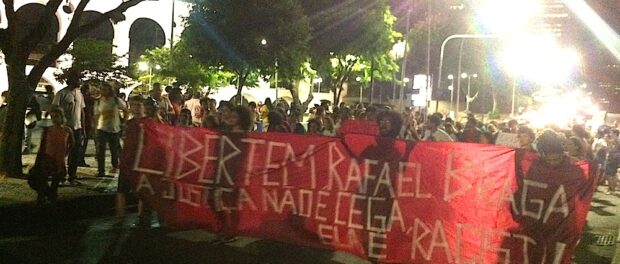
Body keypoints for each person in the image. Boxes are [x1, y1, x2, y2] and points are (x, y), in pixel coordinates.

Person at [32, 107, 74, 205]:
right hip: (48, 157)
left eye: (56, 117)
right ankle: (44, 197)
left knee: (56, 180)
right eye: (52, 117)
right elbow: (43, 145)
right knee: (42, 179)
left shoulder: (67, 130)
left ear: (61, 117)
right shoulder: (48, 130)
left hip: (59, 159)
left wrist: (66, 152)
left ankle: (52, 197)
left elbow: (72, 143)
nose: (54, 119)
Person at [52, 71, 85, 185]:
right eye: (78, 79)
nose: (80, 82)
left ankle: (72, 176)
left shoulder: (79, 93)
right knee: (61, 153)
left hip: (77, 128)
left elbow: (82, 111)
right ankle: (59, 176)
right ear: (72, 80)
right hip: (65, 128)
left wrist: (83, 129)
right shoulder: (61, 93)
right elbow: (54, 109)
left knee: (75, 154)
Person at [94, 83, 128, 178]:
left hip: (114, 129)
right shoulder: (98, 101)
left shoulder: (116, 100)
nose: (103, 91)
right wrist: (95, 127)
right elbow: (96, 115)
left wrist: (124, 122)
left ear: (109, 90)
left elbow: (125, 110)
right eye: (102, 89)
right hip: (102, 129)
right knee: (100, 151)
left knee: (115, 150)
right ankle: (101, 170)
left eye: (105, 89)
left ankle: (115, 166)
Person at [78, 83, 94, 167]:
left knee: (78, 143)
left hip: (79, 122)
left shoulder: (79, 97)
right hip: (86, 123)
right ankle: (80, 159)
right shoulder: (89, 100)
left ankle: (77, 159)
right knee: (83, 142)